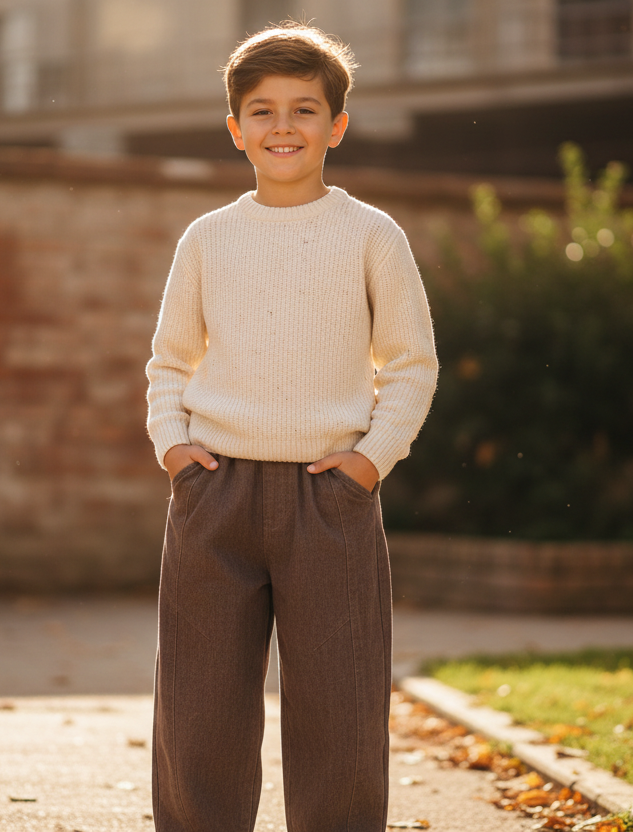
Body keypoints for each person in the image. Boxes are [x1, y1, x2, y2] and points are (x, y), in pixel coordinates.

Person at [144, 21, 438, 832]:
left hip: (331, 500)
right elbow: (169, 362)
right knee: (199, 714)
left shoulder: (372, 235)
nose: (283, 126)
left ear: (336, 126)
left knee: (340, 718)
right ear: (235, 129)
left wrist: (371, 462)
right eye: (262, 110)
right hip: (215, 497)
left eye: (304, 109)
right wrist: (174, 448)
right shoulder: (206, 240)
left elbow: (412, 364)